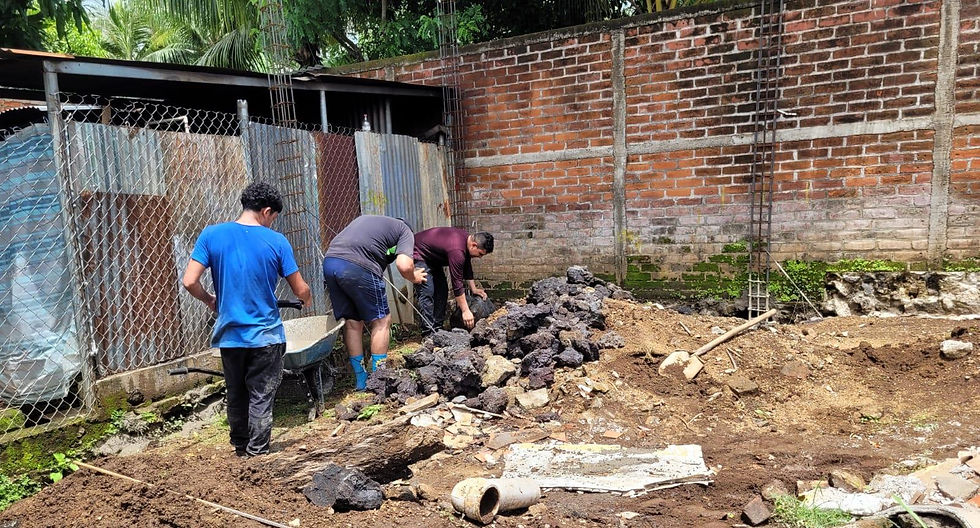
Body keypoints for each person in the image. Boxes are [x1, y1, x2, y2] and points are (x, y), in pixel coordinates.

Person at [181, 182, 312, 457]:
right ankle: (257, 454)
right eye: (273, 218)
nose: (272, 223)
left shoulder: (211, 234)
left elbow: (189, 281)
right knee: (261, 395)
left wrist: (209, 300)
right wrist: (306, 297)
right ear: (266, 211)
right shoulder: (276, 241)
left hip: (230, 336)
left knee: (237, 393)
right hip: (266, 336)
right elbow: (300, 289)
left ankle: (240, 448)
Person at [322, 215, 427, 390]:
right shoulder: (405, 231)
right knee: (381, 321)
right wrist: (413, 276)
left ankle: (361, 380)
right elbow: (403, 264)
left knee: (353, 323)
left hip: (331, 263)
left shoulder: (370, 221)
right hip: (358, 266)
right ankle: (379, 379)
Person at [413, 228, 494, 335]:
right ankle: (428, 332)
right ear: (474, 245)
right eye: (480, 254)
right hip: (420, 253)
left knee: (442, 291)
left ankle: (437, 328)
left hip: (433, 259)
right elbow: (457, 283)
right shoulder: (457, 250)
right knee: (427, 292)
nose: (479, 257)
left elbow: (467, 265)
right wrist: (465, 311)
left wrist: (473, 288)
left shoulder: (466, 239)